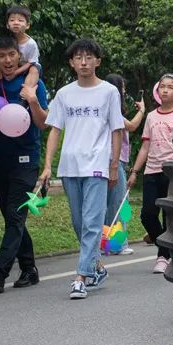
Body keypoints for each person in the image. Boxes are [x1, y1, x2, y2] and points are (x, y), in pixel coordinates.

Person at [39, 39, 125, 300]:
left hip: (98, 164)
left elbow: (117, 130)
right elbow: (54, 130)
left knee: (91, 222)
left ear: (98, 61)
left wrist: (113, 166)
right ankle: (96, 266)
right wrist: (46, 167)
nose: (84, 62)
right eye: (79, 58)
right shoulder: (64, 94)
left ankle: (80, 278)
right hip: (69, 166)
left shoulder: (109, 92)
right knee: (79, 222)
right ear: (72, 63)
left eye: (89, 57)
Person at [0, 36, 50, 294]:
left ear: (19, 56)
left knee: (16, 214)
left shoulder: (34, 82)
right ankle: (29, 269)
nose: (7, 60)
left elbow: (44, 123)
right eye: (1, 56)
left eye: (11, 54)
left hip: (26, 158)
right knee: (11, 216)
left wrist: (31, 100)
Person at [128, 74, 173, 274]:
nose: (165, 90)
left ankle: (163, 257)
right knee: (147, 215)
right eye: (162, 86)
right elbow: (146, 146)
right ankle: (167, 250)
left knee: (169, 216)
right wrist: (135, 171)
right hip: (151, 171)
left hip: (172, 171)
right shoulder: (152, 116)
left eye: (170, 87)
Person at [103, 74, 144, 255]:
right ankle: (118, 245)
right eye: (123, 87)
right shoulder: (113, 110)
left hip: (107, 159)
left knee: (107, 203)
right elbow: (132, 126)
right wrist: (142, 110)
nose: (124, 91)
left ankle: (105, 244)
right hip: (114, 159)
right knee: (119, 203)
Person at [0, 5, 41, 108]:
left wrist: (15, 73)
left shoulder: (31, 44)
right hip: (11, 65)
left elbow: (31, 62)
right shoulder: (6, 39)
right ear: (7, 25)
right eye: (12, 20)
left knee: (35, 70)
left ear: (27, 25)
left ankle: (24, 94)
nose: (16, 23)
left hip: (26, 66)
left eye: (20, 20)